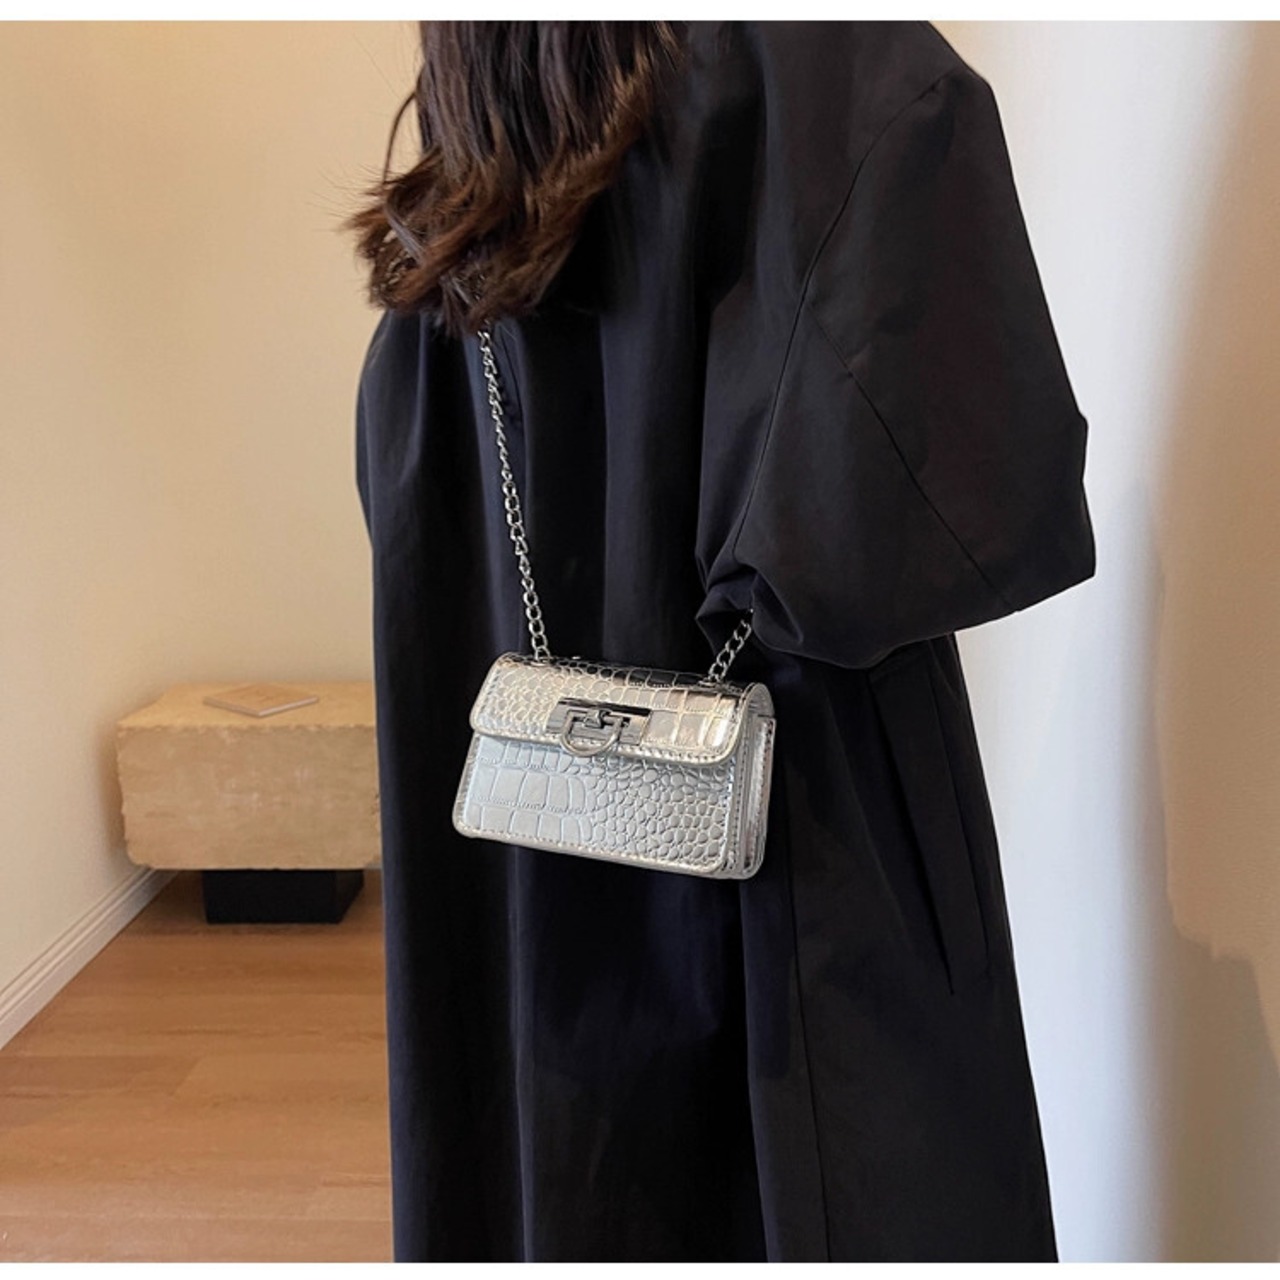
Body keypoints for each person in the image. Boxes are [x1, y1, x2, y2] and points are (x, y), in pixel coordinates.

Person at [345, 19, 1096, 1262]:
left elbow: (407, 478)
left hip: (520, 824)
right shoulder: (826, 56)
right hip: (807, 840)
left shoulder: (487, 76)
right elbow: (972, 473)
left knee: (552, 1160)